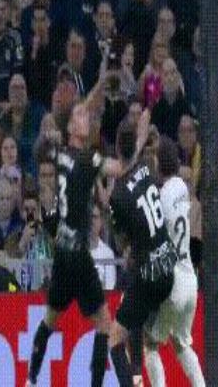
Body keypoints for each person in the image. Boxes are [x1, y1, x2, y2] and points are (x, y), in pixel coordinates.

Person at [25, 81, 150, 387]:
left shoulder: (61, 154)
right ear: (70, 127)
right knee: (107, 327)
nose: (87, 118)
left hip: (62, 254)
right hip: (79, 256)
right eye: (80, 116)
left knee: (49, 321)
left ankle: (30, 380)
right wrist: (141, 138)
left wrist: (98, 86)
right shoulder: (87, 160)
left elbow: (47, 141)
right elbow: (121, 169)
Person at [107, 119, 177, 387]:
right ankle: (138, 376)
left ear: (116, 148)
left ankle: (134, 380)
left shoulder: (117, 196)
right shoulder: (146, 168)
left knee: (114, 340)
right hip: (168, 266)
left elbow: (122, 242)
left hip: (150, 275)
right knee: (133, 310)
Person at [143, 136, 205, 387]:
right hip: (190, 279)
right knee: (182, 344)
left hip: (173, 281)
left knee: (150, 342)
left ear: (158, 163)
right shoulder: (181, 187)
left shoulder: (160, 199)